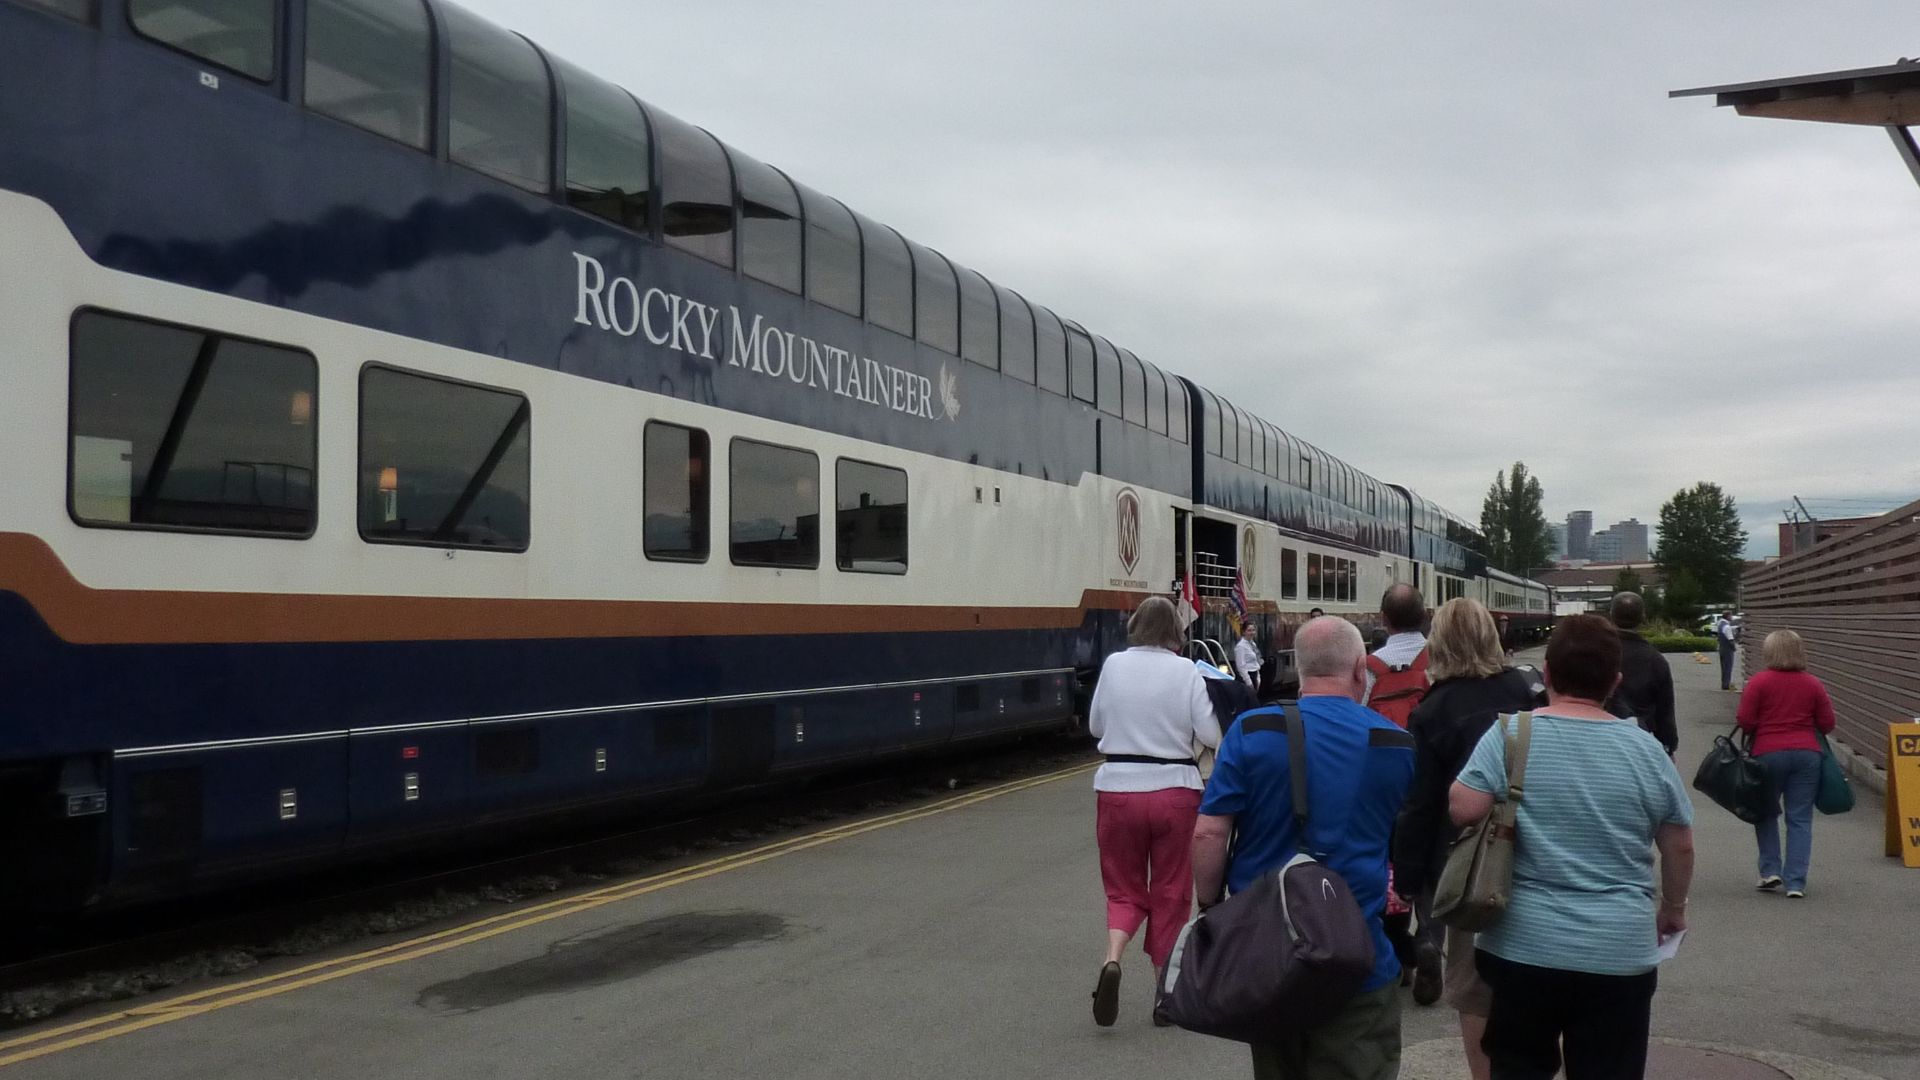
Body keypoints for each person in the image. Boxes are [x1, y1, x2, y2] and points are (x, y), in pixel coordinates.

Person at [1450, 615, 1696, 1080]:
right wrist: (1674, 908)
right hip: (1618, 952)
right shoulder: (1646, 749)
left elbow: (1463, 807)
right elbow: (1679, 844)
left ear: (1545, 672)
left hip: (1520, 945)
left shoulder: (1510, 734)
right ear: (1615, 681)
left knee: (1518, 1066)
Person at [1193, 617, 1416, 1079]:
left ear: (1302, 666)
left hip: (1270, 958)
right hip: (1358, 959)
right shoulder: (1395, 744)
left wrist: (1209, 905)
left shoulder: (1253, 731)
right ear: (1360, 669)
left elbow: (1209, 832)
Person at [1391, 599, 1542, 1077]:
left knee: (1475, 985)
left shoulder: (1432, 710)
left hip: (1470, 862)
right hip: (1539, 850)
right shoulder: (1528, 689)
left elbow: (1421, 805)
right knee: (1536, 979)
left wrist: (1408, 878)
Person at [1086, 596, 1224, 1027]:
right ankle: (1165, 991)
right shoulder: (1187, 671)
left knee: (1123, 889)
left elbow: (1095, 727)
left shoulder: (1113, 665)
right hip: (1174, 792)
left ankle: (1112, 959)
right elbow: (1212, 733)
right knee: (1170, 889)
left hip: (1118, 789)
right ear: (1175, 633)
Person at [1737, 630, 1835, 898]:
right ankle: (1796, 882)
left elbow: (1745, 720)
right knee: (1800, 818)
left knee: (1766, 812)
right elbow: (1827, 724)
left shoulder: (1758, 683)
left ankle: (1770, 870)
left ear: (1770, 652)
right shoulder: (1813, 683)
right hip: (1806, 755)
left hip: (1767, 754)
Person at [1606, 592, 1678, 756]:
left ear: (1611, 615)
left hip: (1597, 739)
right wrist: (1668, 746)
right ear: (1643, 618)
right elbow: (1664, 711)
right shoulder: (1656, 660)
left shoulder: (1597, 652)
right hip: (1639, 743)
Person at [1362, 583, 1428, 714]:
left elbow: (1360, 713)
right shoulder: (1441, 660)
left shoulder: (1369, 669)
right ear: (1424, 616)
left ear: (1384, 618)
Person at [1234, 622, 1264, 694]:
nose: (1252, 632)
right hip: (1245, 677)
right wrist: (1249, 683)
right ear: (1244, 632)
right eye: (1249, 630)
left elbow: (1256, 661)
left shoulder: (1253, 644)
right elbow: (1241, 667)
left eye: (1253, 630)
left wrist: (1258, 679)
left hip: (1254, 674)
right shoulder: (1240, 646)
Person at [1715, 614, 1741, 691]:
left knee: (1723, 667)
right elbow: (1730, 639)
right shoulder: (1727, 627)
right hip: (1727, 649)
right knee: (1728, 667)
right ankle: (1726, 684)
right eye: (1731, 616)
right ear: (1727, 616)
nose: (1732, 617)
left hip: (1722, 648)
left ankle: (1724, 683)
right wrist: (1734, 648)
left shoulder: (1720, 624)